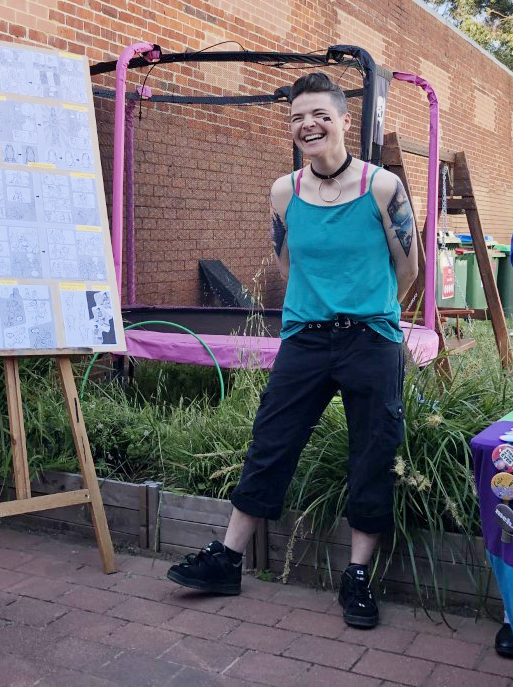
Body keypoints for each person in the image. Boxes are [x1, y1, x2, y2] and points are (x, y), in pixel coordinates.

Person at [167, 71, 418, 629]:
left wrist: (367, 306)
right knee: (271, 444)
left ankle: (356, 577)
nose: (308, 125)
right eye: (297, 118)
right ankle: (227, 560)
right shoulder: (284, 192)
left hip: (370, 339)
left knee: (373, 452)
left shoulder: (382, 188)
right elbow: (286, 264)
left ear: (344, 121)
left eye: (319, 115)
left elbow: (409, 266)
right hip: (305, 339)